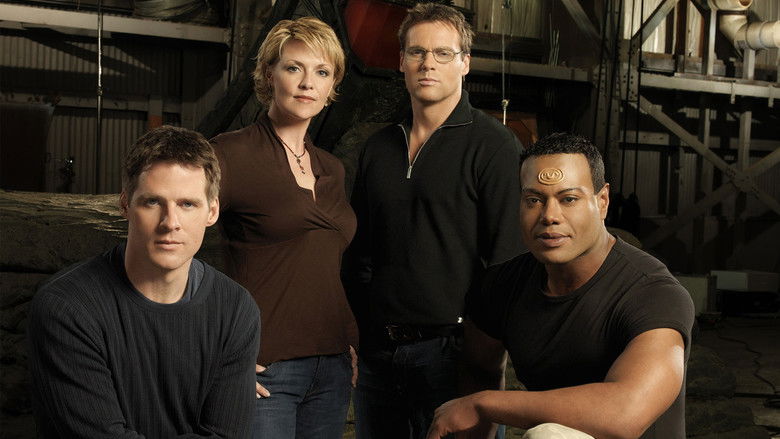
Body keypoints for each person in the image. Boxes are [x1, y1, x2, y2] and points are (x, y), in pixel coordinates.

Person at [426, 133, 695, 439]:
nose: (549, 216)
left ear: (602, 201)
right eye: (533, 200)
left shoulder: (653, 293)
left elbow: (625, 414)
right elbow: (478, 370)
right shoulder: (499, 286)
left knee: (548, 436)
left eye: (569, 199)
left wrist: (483, 404)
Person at [345, 3, 523, 438]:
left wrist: (484, 358)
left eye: (443, 53)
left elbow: (507, 262)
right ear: (401, 61)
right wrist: (357, 332)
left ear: (465, 63)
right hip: (377, 355)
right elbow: (359, 251)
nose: (428, 63)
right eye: (417, 52)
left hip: (453, 356)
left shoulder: (495, 147)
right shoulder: (378, 147)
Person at [27, 125, 260, 438]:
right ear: (125, 205)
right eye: (152, 202)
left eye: (187, 204)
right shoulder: (66, 308)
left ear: (212, 211)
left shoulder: (235, 310)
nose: (170, 223)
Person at [210, 16, 357, 439]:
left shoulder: (332, 168)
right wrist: (217, 348)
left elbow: (326, 267)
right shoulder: (229, 154)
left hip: (333, 365)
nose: (308, 82)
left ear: (332, 86)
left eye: (322, 72)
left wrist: (351, 338)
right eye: (294, 67)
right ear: (268, 74)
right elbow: (177, 246)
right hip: (265, 366)